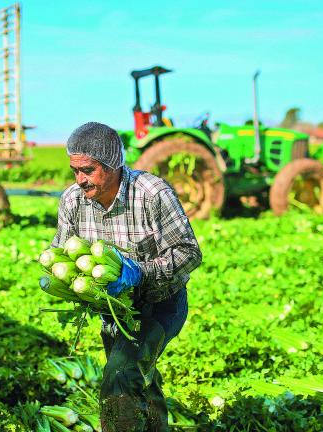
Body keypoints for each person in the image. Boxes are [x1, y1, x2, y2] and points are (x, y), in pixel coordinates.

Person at [52, 122, 202, 431]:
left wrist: (140, 272)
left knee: (119, 379)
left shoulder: (151, 194)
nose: (79, 179)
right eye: (74, 171)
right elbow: (63, 250)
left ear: (112, 165)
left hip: (162, 303)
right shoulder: (71, 201)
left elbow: (189, 253)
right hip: (115, 313)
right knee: (140, 379)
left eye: (88, 170)